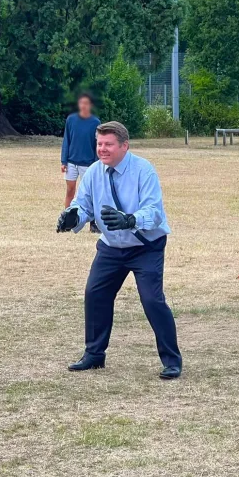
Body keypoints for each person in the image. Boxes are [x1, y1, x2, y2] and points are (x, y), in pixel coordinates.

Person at [56, 121, 183, 379]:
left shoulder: (143, 170)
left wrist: (130, 220)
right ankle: (94, 355)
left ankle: (172, 361)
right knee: (95, 293)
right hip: (111, 247)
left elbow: (154, 212)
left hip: (145, 247)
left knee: (152, 300)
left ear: (124, 146)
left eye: (108, 144)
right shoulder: (93, 172)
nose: (102, 149)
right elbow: (84, 205)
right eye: (99, 143)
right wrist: (73, 217)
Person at [61, 93, 101, 231]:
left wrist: (96, 163)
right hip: (72, 162)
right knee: (70, 191)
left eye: (86, 103)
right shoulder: (71, 120)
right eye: (81, 103)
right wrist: (63, 160)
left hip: (88, 163)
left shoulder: (95, 122)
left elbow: (97, 144)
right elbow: (67, 140)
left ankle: (93, 223)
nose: (83, 106)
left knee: (89, 194)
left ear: (90, 105)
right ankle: (67, 221)